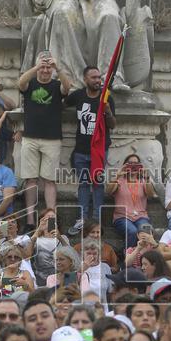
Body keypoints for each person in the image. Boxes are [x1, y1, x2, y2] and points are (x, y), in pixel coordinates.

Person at [17, 52, 70, 228]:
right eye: (43, 67)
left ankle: (50, 217)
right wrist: (36, 66)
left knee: (49, 180)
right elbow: (20, 83)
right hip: (30, 137)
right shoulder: (30, 83)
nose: (45, 70)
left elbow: (67, 87)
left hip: (52, 139)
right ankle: (31, 220)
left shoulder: (56, 85)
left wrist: (58, 68)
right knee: (30, 180)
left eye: (48, 67)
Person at [64, 65, 114, 232]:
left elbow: (112, 125)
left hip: (99, 150)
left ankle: (97, 221)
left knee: (98, 185)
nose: (98, 81)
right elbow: (62, 102)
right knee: (83, 184)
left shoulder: (106, 98)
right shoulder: (78, 96)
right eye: (93, 77)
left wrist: (107, 111)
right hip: (81, 150)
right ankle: (82, 219)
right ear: (85, 79)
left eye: (99, 77)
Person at [106, 154, 157, 248]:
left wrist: (147, 178)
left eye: (136, 164)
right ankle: (128, 258)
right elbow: (108, 191)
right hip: (122, 217)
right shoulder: (120, 180)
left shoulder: (143, 180)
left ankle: (145, 259)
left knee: (147, 231)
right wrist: (117, 175)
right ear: (125, 165)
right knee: (133, 232)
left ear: (140, 167)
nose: (133, 166)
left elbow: (151, 194)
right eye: (130, 164)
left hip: (141, 216)